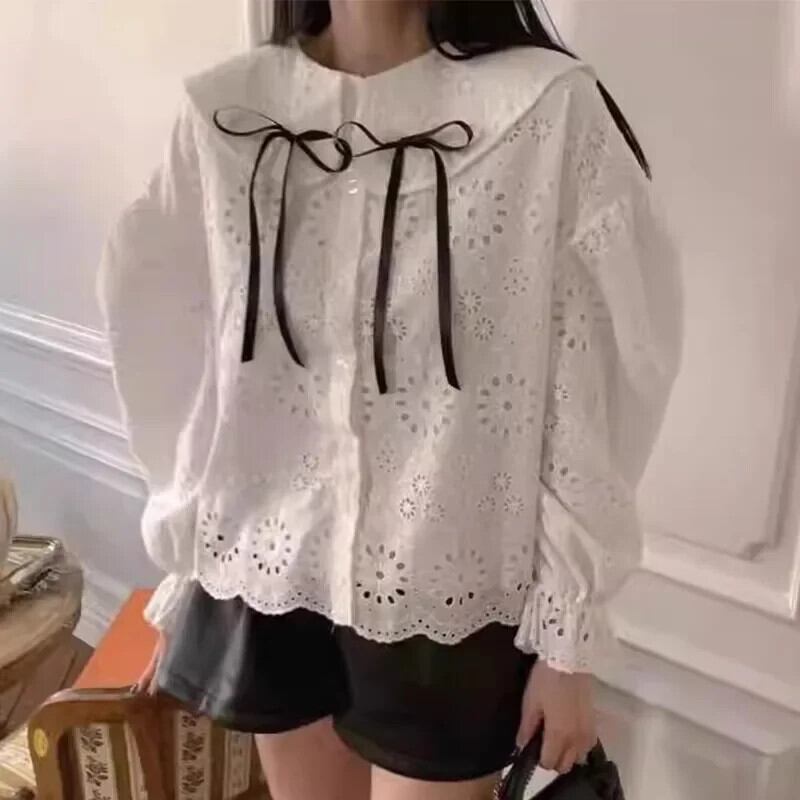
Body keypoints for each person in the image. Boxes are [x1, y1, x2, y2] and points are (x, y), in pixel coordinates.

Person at [98, 1, 682, 798]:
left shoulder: (545, 110)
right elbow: (175, 351)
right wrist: (188, 559)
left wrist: (567, 639)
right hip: (271, 575)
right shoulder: (225, 111)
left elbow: (594, 380)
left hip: (451, 588)